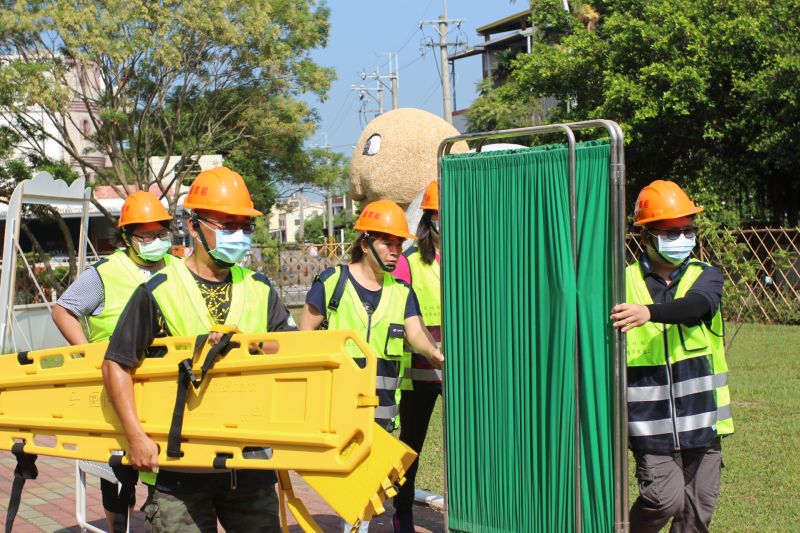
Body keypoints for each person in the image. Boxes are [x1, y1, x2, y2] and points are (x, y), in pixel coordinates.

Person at [102, 167, 295, 532]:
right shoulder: (158, 291)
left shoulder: (259, 287)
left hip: (249, 460)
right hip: (181, 468)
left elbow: (289, 349)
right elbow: (117, 364)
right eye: (226, 225)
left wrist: (251, 348)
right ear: (193, 226)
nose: (238, 235)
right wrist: (136, 436)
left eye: (245, 226)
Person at [298, 199, 444, 533]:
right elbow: (303, 336)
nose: (395, 251)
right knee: (348, 485)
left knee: (365, 487)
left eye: (398, 244)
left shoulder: (401, 292)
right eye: (387, 243)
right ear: (365, 243)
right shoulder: (332, 283)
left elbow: (416, 333)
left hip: (381, 411)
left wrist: (434, 352)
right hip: (337, 407)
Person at [610, 180, 734, 533]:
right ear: (647, 235)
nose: (682, 238)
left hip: (703, 422)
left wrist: (648, 312)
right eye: (670, 232)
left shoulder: (706, 276)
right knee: (664, 498)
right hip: (649, 426)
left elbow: (698, 306)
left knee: (697, 514)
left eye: (687, 230)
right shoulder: (619, 281)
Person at [52, 190, 174, 532]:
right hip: (118, 389)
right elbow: (63, 310)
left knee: (166, 480)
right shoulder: (105, 273)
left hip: (165, 392)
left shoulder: (178, 268)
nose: (156, 241)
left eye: (161, 233)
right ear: (127, 238)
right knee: (118, 480)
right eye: (146, 235)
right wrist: (89, 354)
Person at [390, 181, 442, 533]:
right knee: (410, 448)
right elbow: (396, 314)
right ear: (431, 216)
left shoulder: (474, 257)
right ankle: (403, 514)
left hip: (461, 371)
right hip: (418, 372)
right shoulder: (409, 262)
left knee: (470, 448)